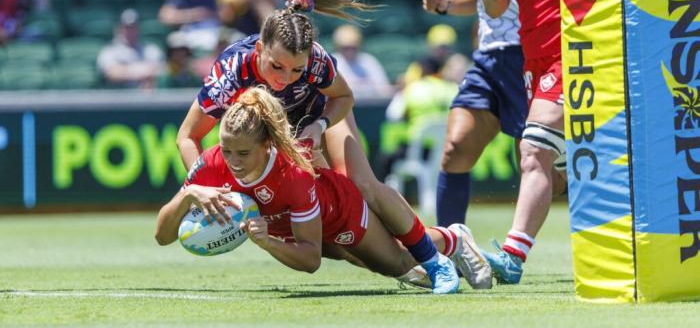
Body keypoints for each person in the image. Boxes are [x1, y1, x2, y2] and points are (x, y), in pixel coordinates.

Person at [175, 0, 491, 288]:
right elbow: (188, 136)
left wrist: (320, 125)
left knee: (364, 188)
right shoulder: (232, 71)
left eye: (295, 71)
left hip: (317, 120)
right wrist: (201, 187)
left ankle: (434, 260)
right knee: (336, 241)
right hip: (277, 136)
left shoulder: (316, 62)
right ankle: (448, 241)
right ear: (261, 48)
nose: (284, 79)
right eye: (277, 67)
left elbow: (344, 98)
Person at [157, 87, 492, 292]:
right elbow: (162, 235)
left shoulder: (293, 176)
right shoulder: (212, 164)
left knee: (396, 263)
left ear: (267, 145)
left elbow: (310, 260)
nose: (232, 161)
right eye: (226, 150)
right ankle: (448, 251)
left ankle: (453, 238)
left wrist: (267, 242)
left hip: (340, 214)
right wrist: (189, 193)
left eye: (243, 153)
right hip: (302, 228)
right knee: (381, 264)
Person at [421, 0, 525, 230]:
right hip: (487, 59)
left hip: (531, 58)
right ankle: (450, 249)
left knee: (541, 167)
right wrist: (447, 4)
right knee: (454, 150)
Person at [480, 0, 564, 284]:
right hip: (535, 63)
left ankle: (512, 255)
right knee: (554, 164)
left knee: (533, 151)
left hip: (579, 59)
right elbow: (494, 9)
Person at [97, 8, 165, 88]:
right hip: (118, 97)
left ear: (138, 28)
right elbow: (112, 73)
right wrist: (144, 71)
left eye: (133, 27)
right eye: (126, 27)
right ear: (119, 28)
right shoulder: (110, 50)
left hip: (146, 96)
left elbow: (161, 69)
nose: (129, 31)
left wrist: (125, 70)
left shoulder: (151, 49)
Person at [331, 23, 393, 99]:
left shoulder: (369, 61)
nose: (350, 51)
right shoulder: (332, 62)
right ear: (338, 46)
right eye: (346, 48)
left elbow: (385, 91)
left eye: (353, 47)